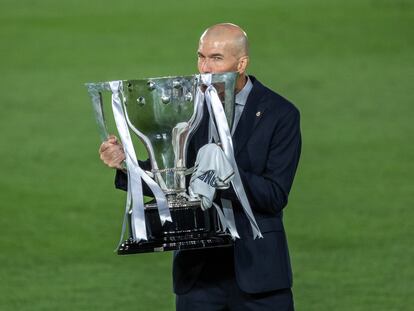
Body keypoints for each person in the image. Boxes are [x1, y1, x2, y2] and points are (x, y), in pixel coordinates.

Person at [99, 23, 301, 311]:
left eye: (216, 58)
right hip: (199, 280)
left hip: (259, 276)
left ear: (241, 63)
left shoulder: (280, 114)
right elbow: (173, 183)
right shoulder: (187, 109)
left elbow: (274, 196)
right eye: (201, 56)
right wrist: (125, 166)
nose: (204, 67)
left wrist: (224, 176)